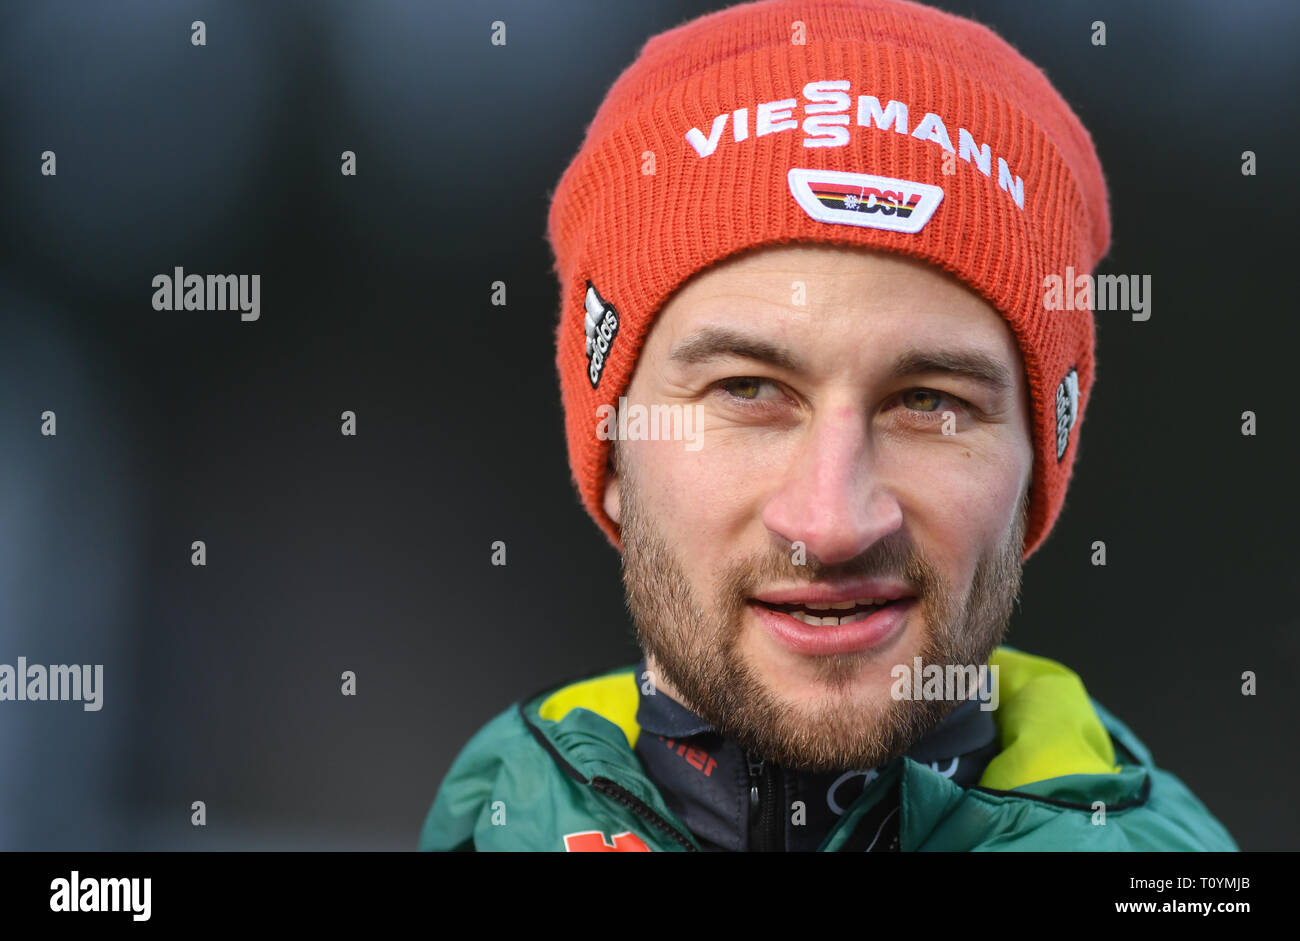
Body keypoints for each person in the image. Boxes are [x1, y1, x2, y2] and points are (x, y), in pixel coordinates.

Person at [419, 0, 1237, 851]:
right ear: (613, 450)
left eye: (928, 401)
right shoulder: (489, 826)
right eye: (747, 388)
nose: (832, 523)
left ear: (1038, 466)